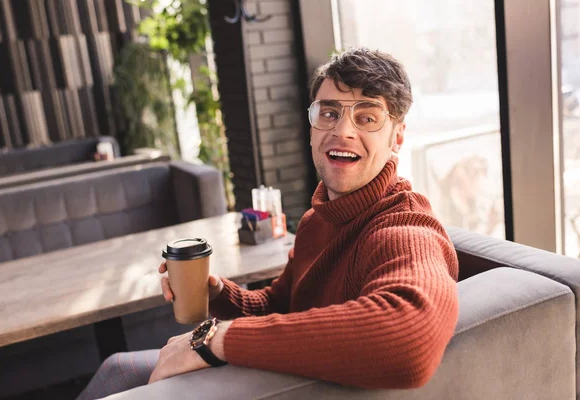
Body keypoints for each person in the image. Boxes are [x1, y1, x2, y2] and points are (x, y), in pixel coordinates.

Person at [77, 47, 459, 399]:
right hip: (280, 377)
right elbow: (279, 305)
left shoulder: (405, 228)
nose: (342, 130)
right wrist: (218, 295)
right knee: (116, 368)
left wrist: (216, 338)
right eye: (329, 112)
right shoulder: (316, 220)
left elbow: (408, 340)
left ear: (398, 136)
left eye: (367, 117)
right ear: (311, 127)